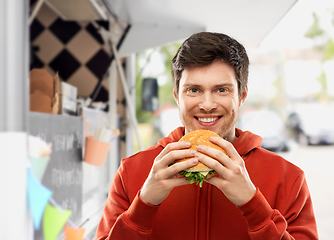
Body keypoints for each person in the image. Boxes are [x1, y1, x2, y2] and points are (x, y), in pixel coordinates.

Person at [95, 32, 318, 239]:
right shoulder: (131, 171)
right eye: (194, 90)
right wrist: (143, 205)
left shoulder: (288, 178)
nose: (208, 105)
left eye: (222, 90)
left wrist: (253, 204)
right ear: (176, 95)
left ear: (241, 95)